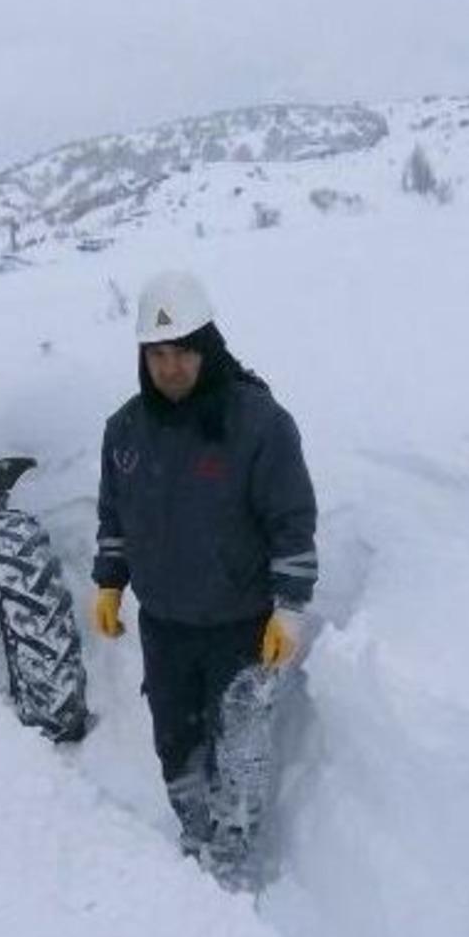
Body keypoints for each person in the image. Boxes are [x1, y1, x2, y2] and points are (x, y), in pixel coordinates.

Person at [91, 270, 318, 881]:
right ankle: (196, 836)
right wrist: (110, 581)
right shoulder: (125, 431)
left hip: (240, 624)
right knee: (176, 743)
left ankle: (235, 859)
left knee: (239, 751)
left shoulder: (258, 423)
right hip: (164, 626)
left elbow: (292, 522)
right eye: (156, 354)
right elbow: (114, 514)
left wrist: (289, 607)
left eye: (183, 351)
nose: (170, 368)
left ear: (208, 347)